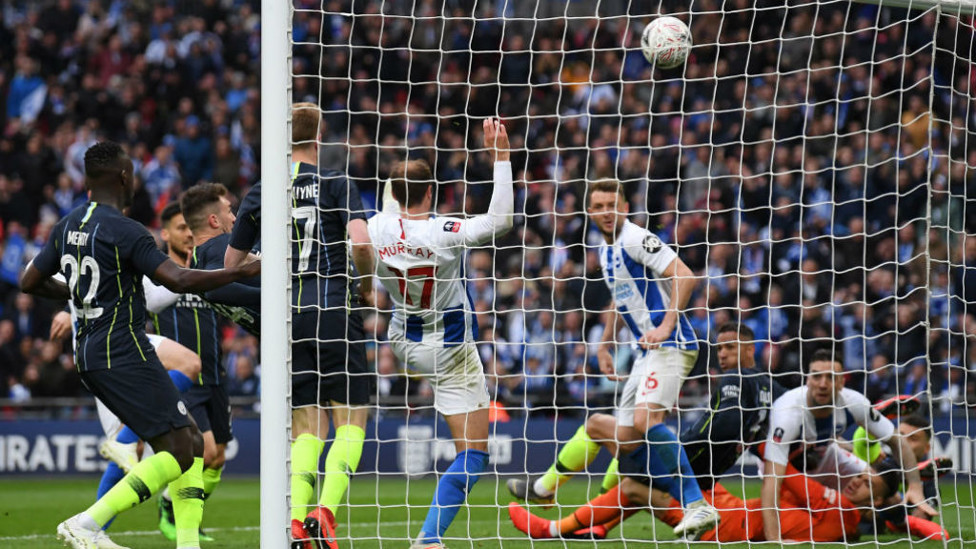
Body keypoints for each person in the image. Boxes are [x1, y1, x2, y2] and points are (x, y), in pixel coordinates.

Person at [20, 141, 259, 549]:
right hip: (123, 350)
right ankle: (88, 523)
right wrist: (241, 270)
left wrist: (78, 295)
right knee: (184, 446)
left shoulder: (68, 225)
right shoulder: (127, 231)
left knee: (188, 443)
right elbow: (178, 280)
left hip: (91, 351)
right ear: (124, 177)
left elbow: (30, 281)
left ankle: (184, 542)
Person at [512, 178, 716, 539]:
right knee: (618, 437)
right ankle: (587, 509)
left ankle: (696, 503)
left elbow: (684, 276)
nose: (607, 212)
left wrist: (666, 325)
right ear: (590, 211)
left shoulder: (636, 238)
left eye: (613, 205)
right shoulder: (605, 250)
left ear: (625, 208)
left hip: (671, 343)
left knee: (646, 419)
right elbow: (621, 298)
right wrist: (605, 342)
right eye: (600, 207)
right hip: (644, 352)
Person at [224, 103, 375, 549]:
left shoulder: (262, 191)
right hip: (334, 309)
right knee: (350, 417)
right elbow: (361, 242)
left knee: (306, 424)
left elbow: (231, 263)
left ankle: (293, 523)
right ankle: (324, 514)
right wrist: (366, 286)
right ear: (319, 136)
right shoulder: (336, 181)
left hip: (287, 318)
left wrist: (272, 262)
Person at [368, 118, 513, 549]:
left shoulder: (374, 228)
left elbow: (383, 214)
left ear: (394, 194)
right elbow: (500, 221)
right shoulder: (443, 231)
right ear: (430, 193)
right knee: (474, 454)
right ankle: (429, 539)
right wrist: (501, 157)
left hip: (403, 342)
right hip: (450, 349)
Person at [510, 321, 785, 540]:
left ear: (750, 349)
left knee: (599, 426)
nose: (722, 353)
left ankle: (544, 491)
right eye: (720, 347)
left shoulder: (736, 378)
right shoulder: (769, 387)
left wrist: (678, 447)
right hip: (708, 473)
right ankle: (596, 526)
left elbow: (723, 427)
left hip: (689, 463)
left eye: (730, 347)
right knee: (632, 478)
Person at [145, 198, 250, 542]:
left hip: (215, 376)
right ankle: (173, 511)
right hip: (184, 380)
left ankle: (181, 509)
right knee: (200, 452)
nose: (188, 235)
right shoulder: (160, 277)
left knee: (217, 459)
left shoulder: (208, 270)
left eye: (190, 229)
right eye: (180, 229)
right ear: (165, 234)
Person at [510, 460, 925, 542]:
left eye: (867, 486)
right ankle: (598, 525)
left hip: (726, 526)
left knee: (636, 485)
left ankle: (552, 529)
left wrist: (773, 433)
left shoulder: (840, 511)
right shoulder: (844, 514)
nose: (856, 483)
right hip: (733, 505)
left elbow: (781, 467)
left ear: (875, 503)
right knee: (657, 468)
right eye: (861, 477)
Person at [760, 349, 937, 541]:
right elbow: (772, 478)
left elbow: (898, 442)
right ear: (807, 380)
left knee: (882, 488)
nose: (823, 384)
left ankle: (903, 522)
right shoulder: (788, 414)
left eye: (831, 377)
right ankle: (871, 518)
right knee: (807, 514)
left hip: (826, 455)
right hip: (787, 466)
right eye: (817, 376)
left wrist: (915, 487)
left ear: (842, 382)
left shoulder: (853, 401)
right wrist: (774, 538)